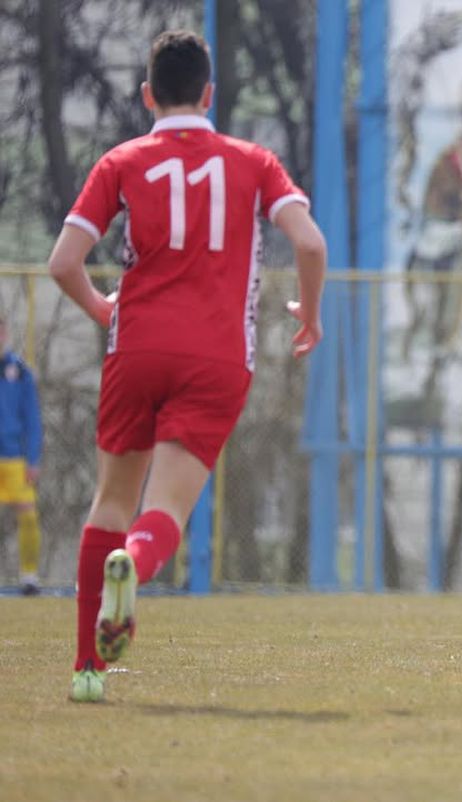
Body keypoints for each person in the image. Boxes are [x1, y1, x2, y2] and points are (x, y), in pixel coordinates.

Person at [46, 30, 327, 702]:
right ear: (209, 94)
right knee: (163, 509)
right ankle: (135, 564)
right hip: (217, 356)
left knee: (111, 501)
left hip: (136, 347)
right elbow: (310, 243)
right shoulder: (252, 161)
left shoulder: (121, 161)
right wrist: (310, 314)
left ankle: (88, 669)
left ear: (148, 96)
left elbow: (62, 263)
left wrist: (100, 307)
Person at [0, 317, 43, 595]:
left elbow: (32, 419)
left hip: (15, 458)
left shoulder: (20, 371)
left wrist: (33, 458)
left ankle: (29, 576)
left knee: (28, 516)